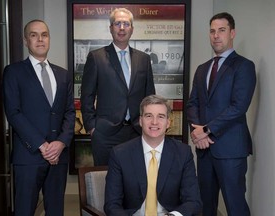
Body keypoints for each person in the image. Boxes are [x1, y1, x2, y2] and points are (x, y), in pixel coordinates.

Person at [2, 19, 75, 216]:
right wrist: (42, 146)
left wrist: (60, 143)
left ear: (49, 39)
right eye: (34, 35)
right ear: (26, 41)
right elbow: (13, 113)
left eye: (44, 35)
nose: (40, 39)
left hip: (58, 158)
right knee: (24, 211)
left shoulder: (63, 75)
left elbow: (69, 112)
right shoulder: (13, 72)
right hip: (29, 157)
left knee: (55, 211)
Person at [187, 12, 256, 216]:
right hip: (204, 150)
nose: (216, 35)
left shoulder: (244, 66)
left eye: (222, 30)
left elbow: (238, 107)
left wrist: (206, 130)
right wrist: (196, 131)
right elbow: (193, 103)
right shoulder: (202, 69)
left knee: (235, 207)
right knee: (206, 207)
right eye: (212, 31)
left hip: (231, 150)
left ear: (232, 33)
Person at [104, 94, 202, 216]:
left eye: (160, 117)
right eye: (148, 116)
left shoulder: (183, 153)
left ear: (168, 123)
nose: (154, 122)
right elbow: (111, 205)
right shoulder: (120, 154)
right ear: (140, 121)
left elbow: (193, 202)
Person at [80, 8, 155, 166]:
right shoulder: (96, 57)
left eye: (126, 24)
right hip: (105, 134)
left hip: (137, 132)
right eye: (117, 23)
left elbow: (150, 98)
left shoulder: (144, 59)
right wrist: (92, 128)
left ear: (132, 29)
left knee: (135, 184)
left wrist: (148, 126)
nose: (122, 28)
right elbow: (87, 96)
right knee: (107, 183)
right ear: (111, 28)